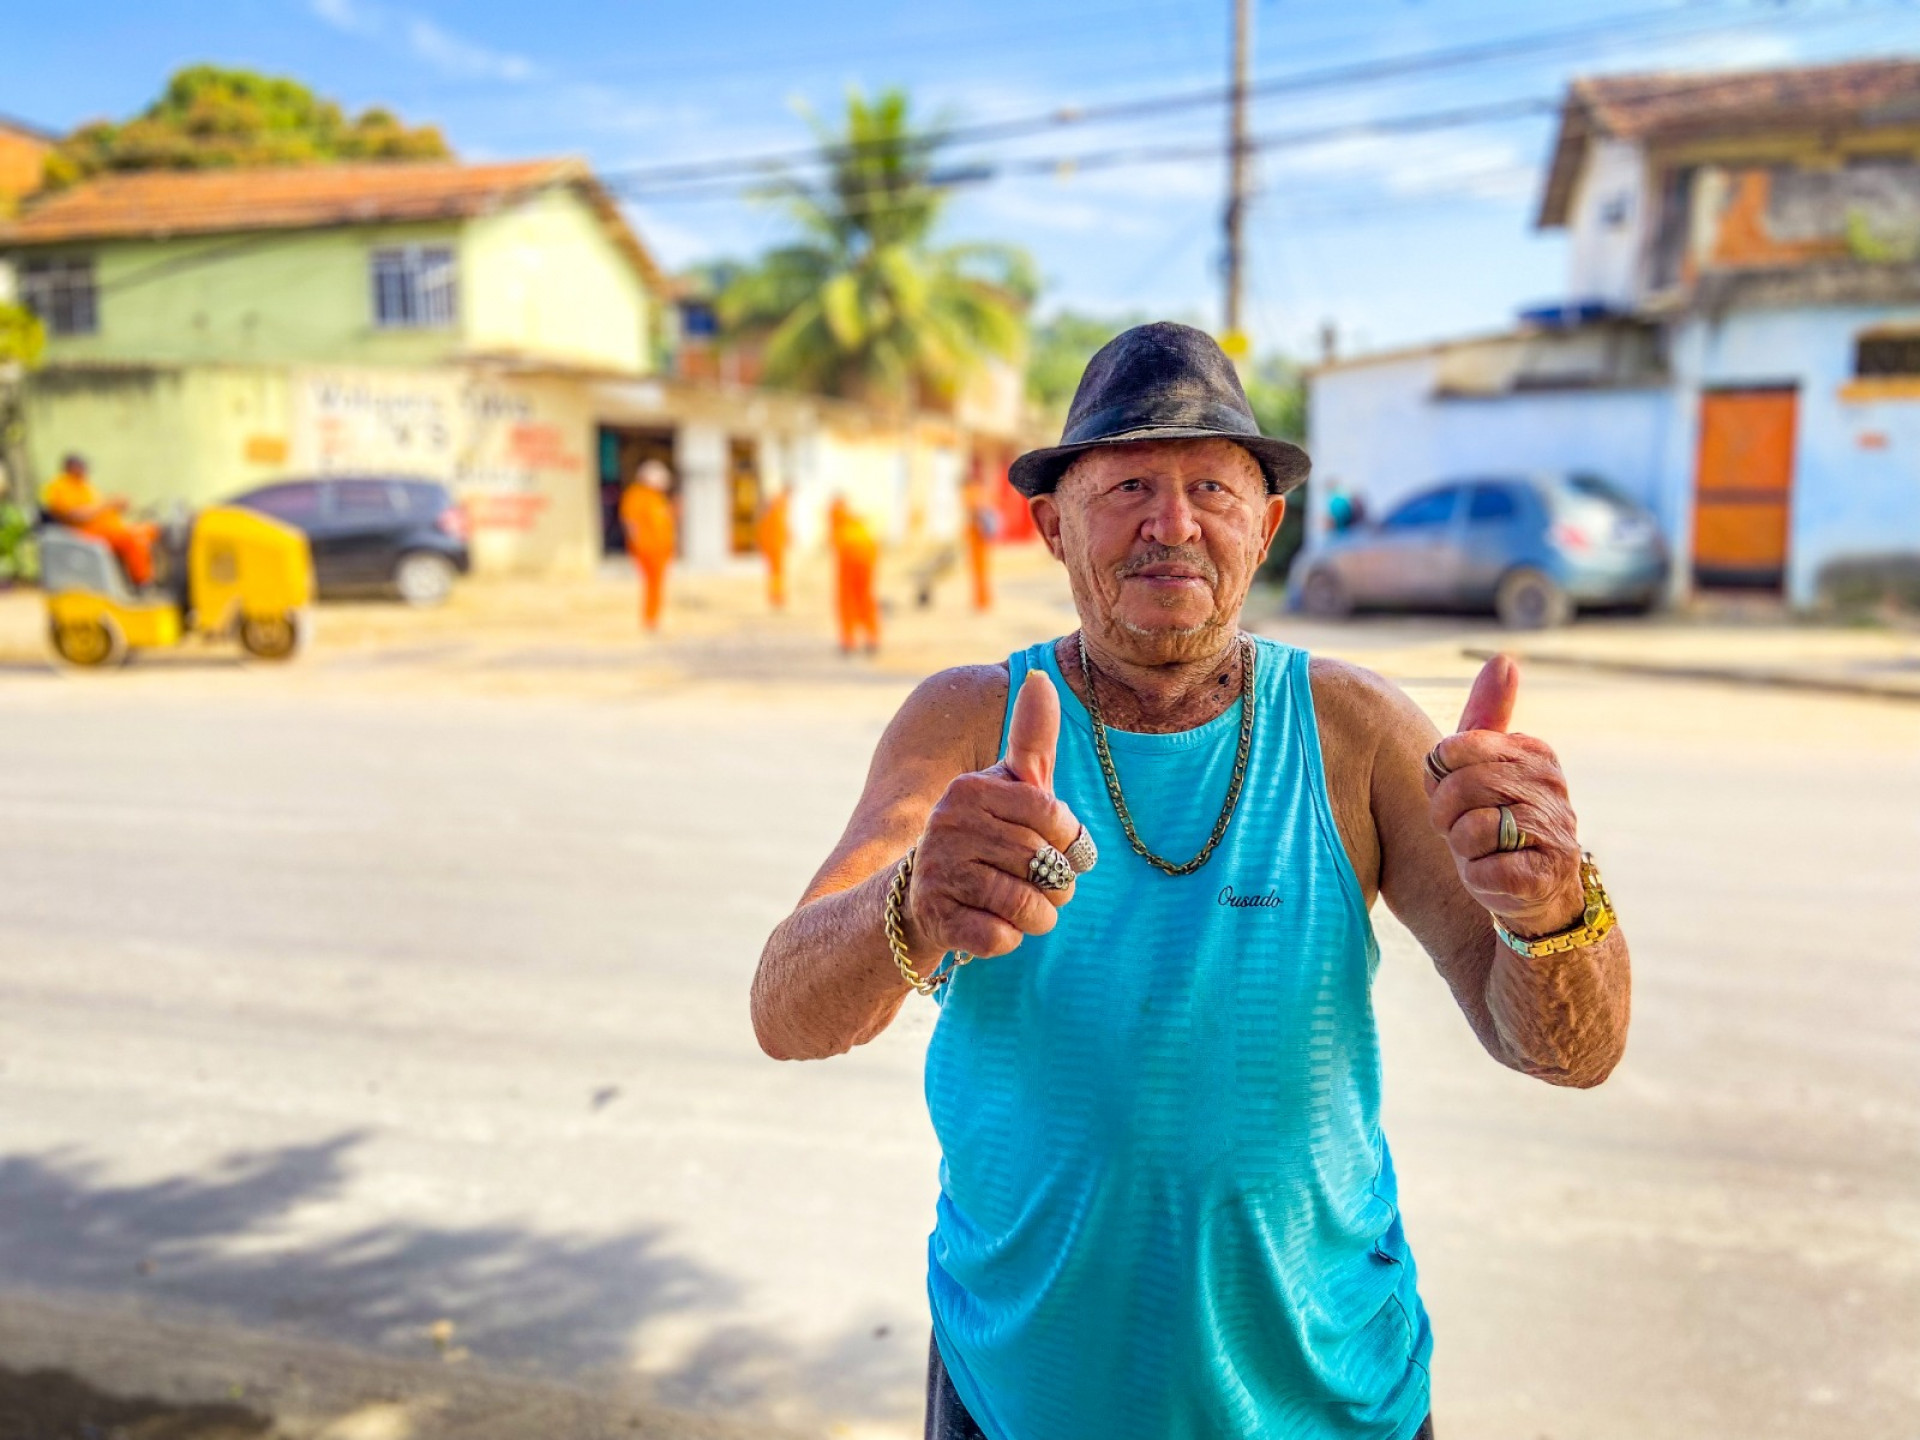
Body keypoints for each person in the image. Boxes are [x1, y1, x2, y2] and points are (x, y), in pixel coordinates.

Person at [751, 323, 1631, 1440]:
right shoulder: (964, 720)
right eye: (1126, 485)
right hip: (1020, 1395)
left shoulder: (1352, 730)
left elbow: (1568, 1051)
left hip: (1329, 1400)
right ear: (1051, 526)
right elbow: (784, 1010)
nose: (1173, 526)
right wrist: (915, 899)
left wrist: (1551, 906)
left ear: (1264, 528)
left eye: (1212, 486)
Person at [40, 453, 160, 587]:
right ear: (71, 467)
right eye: (81, 467)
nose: (85, 471)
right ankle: (142, 582)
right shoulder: (59, 486)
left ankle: (159, 576)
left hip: (108, 528)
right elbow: (75, 515)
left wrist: (119, 506)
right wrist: (109, 504)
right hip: (85, 532)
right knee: (133, 539)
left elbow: (100, 508)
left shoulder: (85, 486)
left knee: (151, 530)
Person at [619, 459, 675, 632]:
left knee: (657, 586)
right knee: (652, 586)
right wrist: (637, 545)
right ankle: (650, 620)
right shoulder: (637, 494)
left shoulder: (657, 497)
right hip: (647, 550)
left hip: (661, 550)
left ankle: (654, 619)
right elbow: (630, 522)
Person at [829, 495, 881, 655]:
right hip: (866, 560)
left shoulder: (838, 521)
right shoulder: (856, 523)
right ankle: (872, 638)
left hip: (851, 562)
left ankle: (849, 640)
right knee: (866, 600)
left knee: (847, 602)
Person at [961, 472, 999, 612]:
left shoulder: (972, 495)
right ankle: (982, 600)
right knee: (980, 571)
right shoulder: (979, 493)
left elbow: (976, 514)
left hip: (977, 537)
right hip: (977, 537)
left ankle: (982, 601)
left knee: (980, 571)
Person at [757, 486, 791, 611]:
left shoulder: (776, 511)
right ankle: (776, 597)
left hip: (775, 547)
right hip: (774, 547)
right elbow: (766, 533)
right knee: (776, 574)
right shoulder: (776, 511)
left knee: (776, 574)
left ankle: (777, 596)